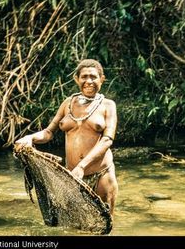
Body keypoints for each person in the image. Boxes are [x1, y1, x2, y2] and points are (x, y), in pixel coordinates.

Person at [15, 59, 118, 216]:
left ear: (101, 79)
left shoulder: (108, 105)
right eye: (84, 77)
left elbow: (107, 140)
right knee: (74, 226)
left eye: (93, 77)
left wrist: (82, 167)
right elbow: (48, 133)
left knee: (103, 225)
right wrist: (30, 138)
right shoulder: (67, 104)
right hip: (72, 175)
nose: (89, 81)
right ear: (76, 79)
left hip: (101, 175)